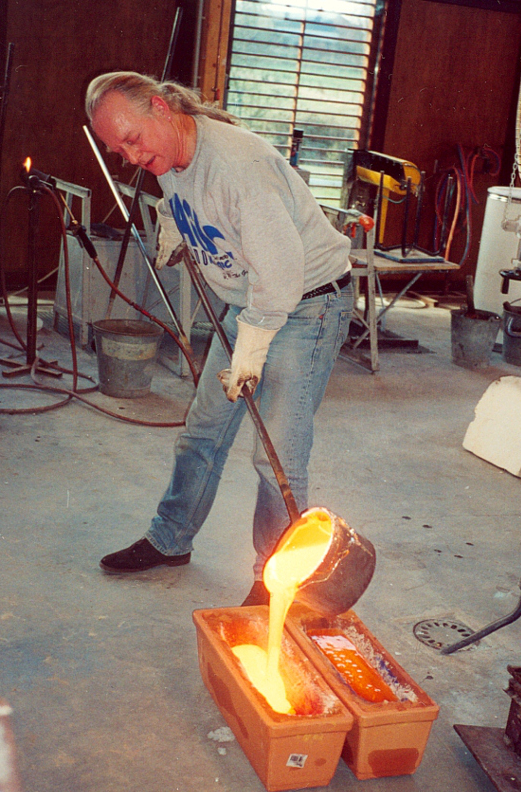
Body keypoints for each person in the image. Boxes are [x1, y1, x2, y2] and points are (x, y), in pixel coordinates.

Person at [85, 71, 353, 604]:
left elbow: (280, 277)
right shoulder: (172, 153)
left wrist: (251, 349)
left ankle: (275, 577)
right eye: (118, 150)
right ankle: (170, 539)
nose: (131, 157)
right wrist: (171, 219)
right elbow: (189, 196)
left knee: (276, 453)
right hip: (249, 302)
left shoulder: (238, 168)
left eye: (133, 140)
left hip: (306, 305)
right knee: (202, 431)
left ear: (162, 108)